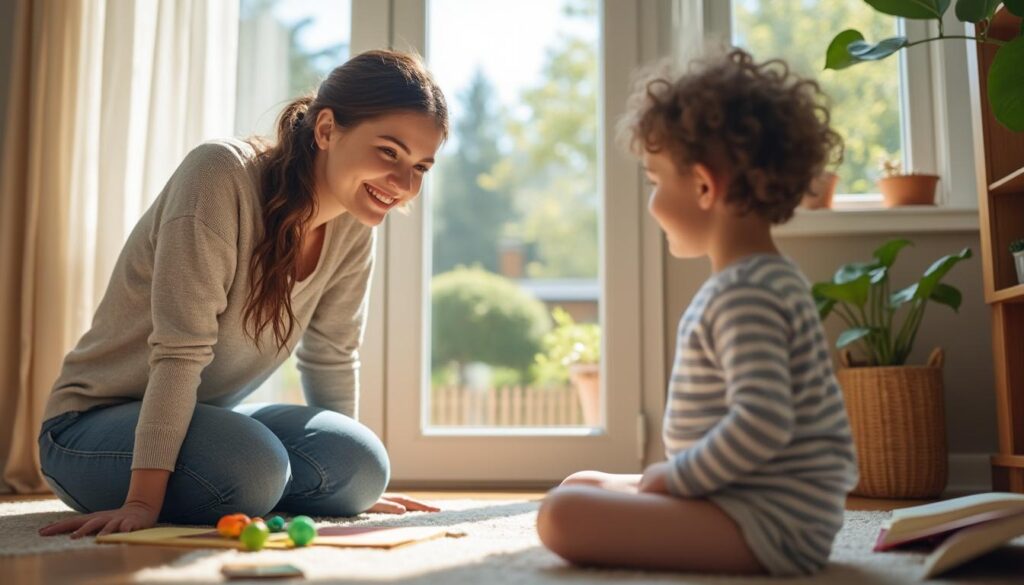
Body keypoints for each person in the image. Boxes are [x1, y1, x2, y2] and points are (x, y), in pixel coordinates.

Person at [38, 49, 448, 540]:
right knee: (253, 471)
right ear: (326, 130)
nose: (403, 184)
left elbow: (332, 354)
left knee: (365, 464)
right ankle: (237, 480)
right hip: (87, 428)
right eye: (389, 152)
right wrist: (142, 502)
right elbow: (180, 351)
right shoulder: (218, 175)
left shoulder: (354, 223)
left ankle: (245, 479)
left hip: (204, 417)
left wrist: (349, 486)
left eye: (421, 167)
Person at [536, 48, 859, 576]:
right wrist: (672, 478)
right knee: (580, 484)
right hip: (741, 495)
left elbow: (763, 422)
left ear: (705, 186)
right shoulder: (758, 279)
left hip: (770, 522)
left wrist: (675, 477)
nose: (652, 203)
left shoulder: (747, 293)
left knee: (562, 516)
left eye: (655, 182)